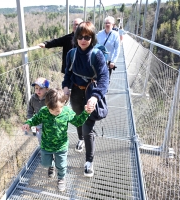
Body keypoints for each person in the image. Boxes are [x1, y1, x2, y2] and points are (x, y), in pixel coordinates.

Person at [22, 88, 94, 191]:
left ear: (63, 103)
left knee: (61, 165)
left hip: (61, 146)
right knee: (45, 163)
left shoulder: (67, 112)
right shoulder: (44, 111)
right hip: (46, 145)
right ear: (47, 106)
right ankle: (51, 166)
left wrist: (86, 112)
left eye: (57, 111)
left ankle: (61, 178)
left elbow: (78, 122)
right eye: (51, 110)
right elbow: (35, 119)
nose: (53, 113)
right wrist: (29, 123)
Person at [62, 21, 109, 177]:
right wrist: (65, 88)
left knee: (88, 127)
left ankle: (89, 161)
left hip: (90, 94)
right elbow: (68, 74)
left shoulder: (97, 55)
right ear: (76, 38)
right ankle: (80, 139)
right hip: (75, 92)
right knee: (77, 119)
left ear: (92, 39)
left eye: (87, 37)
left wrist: (95, 97)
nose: (83, 40)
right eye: (80, 36)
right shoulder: (72, 54)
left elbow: (104, 78)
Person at [26, 77, 50, 143]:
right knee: (40, 138)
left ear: (47, 89)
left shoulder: (50, 98)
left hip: (50, 122)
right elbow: (30, 110)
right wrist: (29, 120)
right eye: (36, 88)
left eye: (41, 88)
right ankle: (43, 150)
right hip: (39, 122)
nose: (38, 91)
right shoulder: (33, 98)